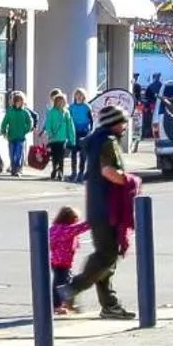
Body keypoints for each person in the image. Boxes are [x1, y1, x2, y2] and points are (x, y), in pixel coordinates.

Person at [59, 105, 139, 320]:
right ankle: (71, 288)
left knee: (106, 258)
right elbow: (108, 171)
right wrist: (131, 181)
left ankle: (109, 305)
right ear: (114, 122)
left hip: (97, 205)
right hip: (108, 207)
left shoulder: (96, 140)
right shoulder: (108, 142)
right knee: (107, 255)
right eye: (122, 122)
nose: (124, 126)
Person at [48, 204, 90, 303]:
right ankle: (57, 305)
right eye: (76, 218)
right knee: (61, 284)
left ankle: (66, 303)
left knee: (63, 281)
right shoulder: (68, 229)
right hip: (63, 262)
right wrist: (96, 217)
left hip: (55, 261)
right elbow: (84, 226)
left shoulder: (54, 228)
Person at [0, 91, 36, 178]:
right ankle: (13, 168)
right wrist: (4, 131)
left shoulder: (25, 112)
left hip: (21, 137)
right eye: (17, 101)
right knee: (12, 154)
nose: (19, 103)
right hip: (11, 136)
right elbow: (4, 123)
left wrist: (26, 130)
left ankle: (17, 169)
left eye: (20, 101)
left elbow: (30, 122)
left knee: (18, 154)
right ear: (14, 102)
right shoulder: (10, 112)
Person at [44, 89, 76, 180]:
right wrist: (49, 133)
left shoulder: (66, 113)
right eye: (58, 102)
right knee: (54, 156)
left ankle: (60, 172)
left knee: (61, 156)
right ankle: (54, 168)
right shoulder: (51, 112)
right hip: (53, 138)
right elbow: (48, 124)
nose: (60, 103)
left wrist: (72, 138)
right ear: (55, 102)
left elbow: (70, 126)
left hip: (62, 139)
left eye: (62, 102)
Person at [67, 87, 94, 181]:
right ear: (74, 96)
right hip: (74, 131)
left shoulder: (87, 107)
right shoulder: (71, 107)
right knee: (73, 153)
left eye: (80, 94)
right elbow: (68, 119)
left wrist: (90, 131)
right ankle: (73, 172)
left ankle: (81, 172)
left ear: (84, 96)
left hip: (84, 132)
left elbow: (91, 120)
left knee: (83, 154)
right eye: (77, 94)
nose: (78, 96)